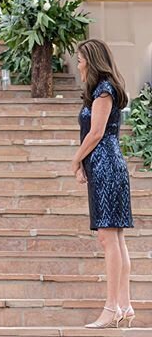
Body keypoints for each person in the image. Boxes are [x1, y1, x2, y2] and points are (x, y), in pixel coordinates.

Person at [72, 39, 134, 329]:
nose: (78, 63)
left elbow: (96, 133)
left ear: (92, 60)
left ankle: (112, 307)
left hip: (106, 165)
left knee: (110, 238)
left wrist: (75, 160)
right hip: (104, 165)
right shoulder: (101, 89)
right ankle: (124, 305)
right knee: (115, 238)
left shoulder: (104, 90)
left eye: (81, 58)